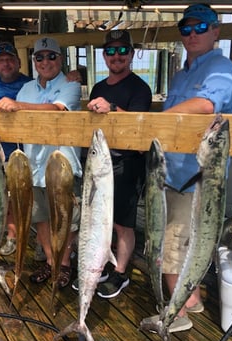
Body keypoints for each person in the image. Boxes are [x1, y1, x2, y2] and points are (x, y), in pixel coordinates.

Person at [144, 3, 232, 333]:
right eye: (186, 29)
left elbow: (206, 105)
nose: (192, 34)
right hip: (170, 173)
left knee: (173, 242)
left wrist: (152, 122)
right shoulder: (182, 73)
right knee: (183, 241)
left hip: (196, 179)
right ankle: (192, 299)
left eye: (201, 28)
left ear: (216, 31)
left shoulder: (222, 67)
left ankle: (176, 314)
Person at [72, 29, 152, 298]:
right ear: (104, 56)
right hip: (99, 164)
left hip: (126, 165)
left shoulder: (140, 88)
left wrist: (113, 108)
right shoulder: (98, 87)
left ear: (131, 54)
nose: (116, 56)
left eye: (122, 51)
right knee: (97, 220)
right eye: (110, 51)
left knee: (122, 224)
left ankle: (121, 272)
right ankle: (103, 263)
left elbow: (139, 128)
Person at [0, 37, 82, 288]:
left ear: (61, 59)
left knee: (66, 219)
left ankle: (64, 263)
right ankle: (50, 261)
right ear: (34, 61)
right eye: (40, 57)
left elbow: (57, 109)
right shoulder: (27, 88)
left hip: (63, 167)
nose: (46, 62)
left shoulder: (71, 84)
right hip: (33, 168)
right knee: (41, 218)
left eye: (51, 56)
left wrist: (17, 106)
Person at [0, 41, 32, 256]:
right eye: (1, 60)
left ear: (19, 62)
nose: (6, 63)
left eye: (10, 59)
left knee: (27, 197)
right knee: (3, 197)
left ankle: (30, 236)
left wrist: (73, 76)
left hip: (28, 152)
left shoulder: (31, 84)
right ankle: (11, 235)